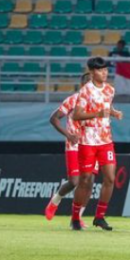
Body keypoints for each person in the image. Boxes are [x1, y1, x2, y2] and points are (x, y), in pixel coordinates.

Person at [70, 57, 123, 231]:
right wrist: (97, 114)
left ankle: (99, 217)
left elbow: (106, 107)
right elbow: (77, 115)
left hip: (105, 140)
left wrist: (113, 113)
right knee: (85, 180)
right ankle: (75, 217)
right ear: (92, 72)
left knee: (110, 178)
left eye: (106, 70)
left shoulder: (110, 90)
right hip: (88, 141)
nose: (104, 73)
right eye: (100, 70)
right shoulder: (86, 90)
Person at [44, 73, 94, 225]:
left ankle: (78, 218)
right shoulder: (73, 100)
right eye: (88, 84)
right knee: (74, 181)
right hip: (74, 145)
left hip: (92, 145)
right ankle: (55, 200)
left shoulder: (98, 103)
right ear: (82, 85)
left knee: (89, 182)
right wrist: (69, 135)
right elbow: (53, 118)